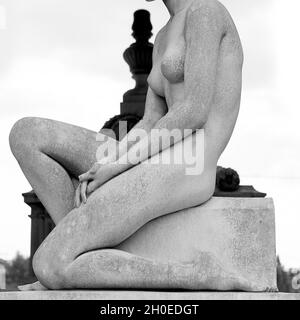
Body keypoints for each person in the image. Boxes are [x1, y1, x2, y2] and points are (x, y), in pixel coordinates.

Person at [9, 0, 249, 290]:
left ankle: (196, 273)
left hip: (190, 161)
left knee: (49, 263)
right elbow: (149, 121)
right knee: (26, 134)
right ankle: (83, 252)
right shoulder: (163, 35)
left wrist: (118, 166)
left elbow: (193, 112)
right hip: (156, 153)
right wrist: (109, 162)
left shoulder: (206, 12)